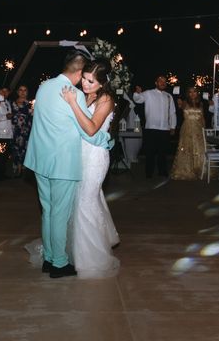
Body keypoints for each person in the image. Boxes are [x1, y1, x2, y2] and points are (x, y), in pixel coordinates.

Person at [24, 50, 112, 278]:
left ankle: (49, 258)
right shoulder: (73, 94)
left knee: (48, 210)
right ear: (80, 71)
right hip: (62, 161)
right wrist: (107, 140)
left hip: (39, 159)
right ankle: (59, 264)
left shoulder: (44, 86)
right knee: (60, 213)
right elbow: (89, 133)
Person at [61, 58, 120, 278]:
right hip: (78, 154)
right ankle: (75, 252)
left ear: (103, 83)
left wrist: (73, 103)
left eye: (91, 81)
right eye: (84, 79)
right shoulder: (85, 94)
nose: (85, 84)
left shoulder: (106, 99)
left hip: (95, 157)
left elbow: (92, 128)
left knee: (86, 201)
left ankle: (91, 258)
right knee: (80, 201)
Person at [133, 76, 177, 178]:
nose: (162, 83)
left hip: (165, 128)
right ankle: (149, 173)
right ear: (156, 83)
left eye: (164, 82)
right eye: (160, 81)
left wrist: (173, 126)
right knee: (150, 152)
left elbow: (172, 112)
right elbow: (138, 100)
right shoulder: (148, 93)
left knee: (163, 152)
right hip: (151, 128)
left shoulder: (168, 96)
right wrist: (137, 93)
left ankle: (162, 171)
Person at [170, 86, 206, 180]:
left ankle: (198, 169)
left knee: (198, 149)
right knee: (186, 149)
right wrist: (178, 102)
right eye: (190, 92)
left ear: (197, 93)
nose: (192, 94)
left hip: (198, 129)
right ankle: (186, 170)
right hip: (187, 128)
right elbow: (178, 107)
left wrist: (204, 129)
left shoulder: (200, 104)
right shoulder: (184, 103)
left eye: (194, 91)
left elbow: (202, 118)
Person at [11, 85, 33, 177]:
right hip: (15, 130)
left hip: (27, 130)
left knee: (26, 149)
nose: (23, 92)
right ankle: (17, 168)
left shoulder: (31, 103)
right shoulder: (12, 103)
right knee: (15, 149)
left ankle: (23, 169)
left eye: (25, 90)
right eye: (20, 90)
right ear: (17, 92)